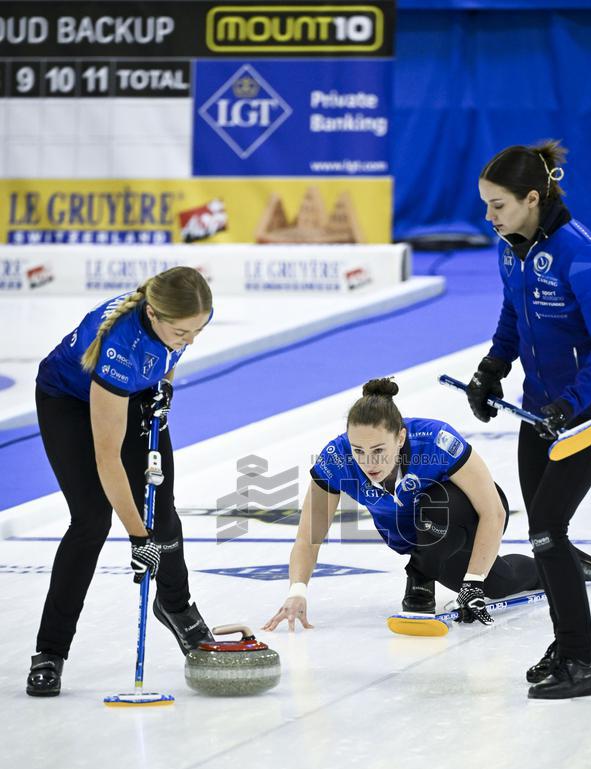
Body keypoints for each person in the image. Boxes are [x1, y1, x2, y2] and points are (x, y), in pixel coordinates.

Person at [468, 140, 591, 700]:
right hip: (539, 411)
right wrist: (492, 368)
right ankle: (566, 646)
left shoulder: (582, 254)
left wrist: (573, 402)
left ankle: (581, 662)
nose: (489, 217)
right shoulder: (510, 247)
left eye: (498, 206)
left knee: (547, 528)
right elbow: (515, 313)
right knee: (543, 536)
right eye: (486, 205)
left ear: (532, 197)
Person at [27, 266, 216, 697]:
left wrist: (163, 389)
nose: (193, 339)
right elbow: (107, 459)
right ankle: (50, 650)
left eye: (199, 330)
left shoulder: (187, 313)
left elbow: (168, 356)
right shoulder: (120, 348)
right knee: (91, 520)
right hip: (70, 402)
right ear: (152, 314)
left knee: (164, 513)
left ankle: (177, 607)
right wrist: (137, 538)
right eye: (184, 331)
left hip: (133, 391)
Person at [263, 377, 545, 634]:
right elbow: (308, 537)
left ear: (400, 438)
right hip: (419, 539)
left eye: (378, 451)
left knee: (434, 508)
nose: (368, 463)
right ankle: (551, 567)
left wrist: (473, 582)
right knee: (500, 583)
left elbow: (493, 511)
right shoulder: (336, 460)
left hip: (467, 517)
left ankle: (420, 579)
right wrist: (297, 590)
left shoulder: (435, 440)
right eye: (358, 450)